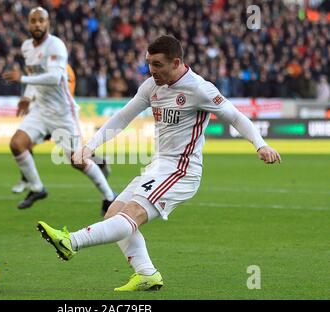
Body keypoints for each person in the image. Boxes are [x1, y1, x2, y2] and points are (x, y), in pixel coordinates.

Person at [36, 35, 282, 291]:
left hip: (182, 171)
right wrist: (89, 147)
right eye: (148, 63)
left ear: (176, 62)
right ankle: (146, 274)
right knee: (114, 214)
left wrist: (260, 144)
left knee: (130, 216)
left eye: (157, 64)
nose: (151, 70)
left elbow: (235, 117)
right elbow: (122, 117)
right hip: (159, 166)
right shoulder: (151, 86)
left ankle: (70, 241)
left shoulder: (199, 89)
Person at [3, 7, 116, 214]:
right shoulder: (26, 47)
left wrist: (22, 79)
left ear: (48, 23)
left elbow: (54, 78)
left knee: (77, 161)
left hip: (62, 112)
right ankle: (37, 188)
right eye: (33, 21)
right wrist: (27, 97)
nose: (37, 24)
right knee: (17, 144)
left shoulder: (56, 46)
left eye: (41, 21)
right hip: (39, 110)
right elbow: (35, 76)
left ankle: (109, 196)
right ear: (28, 24)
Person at [11, 63, 111, 193]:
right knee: (25, 144)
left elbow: (65, 92)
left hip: (60, 116)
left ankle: (100, 163)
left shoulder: (63, 69)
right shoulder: (43, 65)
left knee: (75, 156)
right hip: (43, 115)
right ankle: (26, 179)